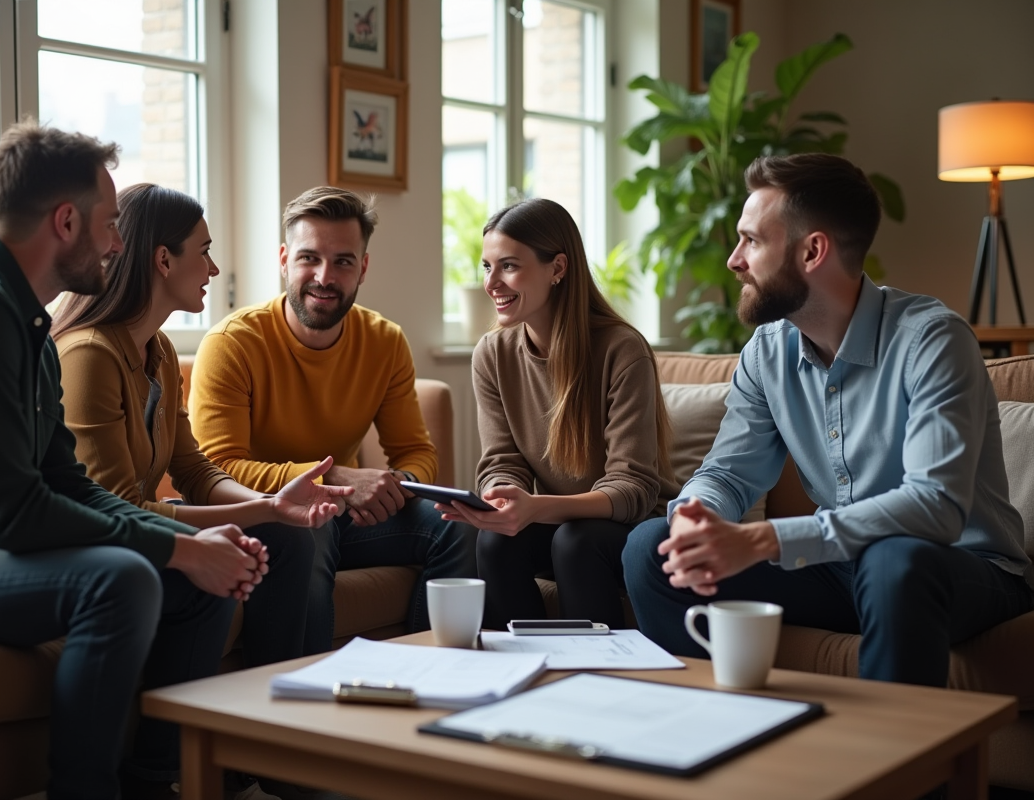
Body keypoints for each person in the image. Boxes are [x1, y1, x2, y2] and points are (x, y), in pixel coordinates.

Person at [0, 122, 267, 800]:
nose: (119, 243)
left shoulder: (24, 318)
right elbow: (16, 514)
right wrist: (177, 551)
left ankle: (156, 781)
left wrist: (195, 542)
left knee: (197, 571)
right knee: (121, 579)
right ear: (66, 221)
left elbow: (68, 483)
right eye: (110, 223)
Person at [621, 153, 1034, 687]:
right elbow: (727, 473)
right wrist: (693, 520)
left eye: (751, 240)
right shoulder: (766, 351)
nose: (734, 259)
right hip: (840, 571)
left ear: (813, 250)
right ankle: (708, 726)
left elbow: (936, 507)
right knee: (651, 547)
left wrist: (766, 539)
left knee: (894, 561)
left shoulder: (932, 340)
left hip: (957, 571)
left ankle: (897, 766)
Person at [53, 183, 354, 669]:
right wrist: (262, 513)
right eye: (206, 252)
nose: (214, 269)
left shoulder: (160, 350)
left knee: (291, 536)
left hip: (142, 521)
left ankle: (279, 700)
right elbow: (118, 509)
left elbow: (194, 470)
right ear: (163, 260)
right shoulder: (88, 355)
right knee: (236, 553)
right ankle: (192, 732)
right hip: (104, 539)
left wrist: (269, 506)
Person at [189, 186, 475, 654]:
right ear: (284, 259)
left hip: (348, 515)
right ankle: (305, 702)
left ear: (363, 267)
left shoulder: (384, 340)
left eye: (343, 261)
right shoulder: (233, 343)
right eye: (309, 258)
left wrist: (391, 487)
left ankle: (430, 677)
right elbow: (216, 467)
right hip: (264, 516)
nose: (324, 276)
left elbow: (417, 452)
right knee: (311, 526)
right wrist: (335, 478)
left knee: (457, 525)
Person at [435, 198, 677, 631]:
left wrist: (535, 507)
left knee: (576, 540)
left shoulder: (622, 350)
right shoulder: (491, 354)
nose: (492, 283)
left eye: (509, 266)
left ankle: (596, 672)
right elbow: (500, 461)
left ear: (558, 268)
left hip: (627, 528)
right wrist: (499, 499)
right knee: (493, 540)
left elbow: (633, 487)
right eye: (487, 267)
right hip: (553, 519)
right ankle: (521, 670)